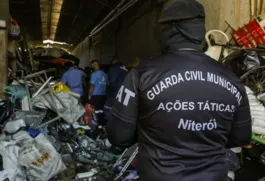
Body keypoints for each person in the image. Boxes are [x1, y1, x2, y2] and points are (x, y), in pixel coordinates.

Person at [106, 1, 252, 181]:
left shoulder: (142, 75)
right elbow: (241, 137)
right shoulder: (233, 80)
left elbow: (118, 136)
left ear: (170, 30)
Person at [88, 60, 108, 125]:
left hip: (95, 96)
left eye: (91, 65)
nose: (91, 66)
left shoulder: (94, 74)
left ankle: (96, 126)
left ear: (94, 64)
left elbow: (92, 85)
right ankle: (102, 125)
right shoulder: (105, 74)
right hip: (103, 96)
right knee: (101, 111)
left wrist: (89, 95)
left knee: (95, 112)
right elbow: (107, 85)